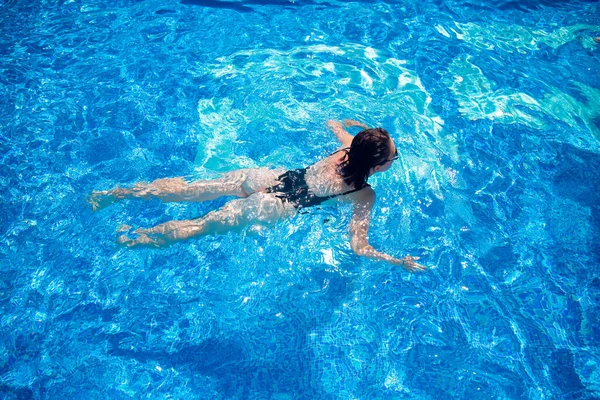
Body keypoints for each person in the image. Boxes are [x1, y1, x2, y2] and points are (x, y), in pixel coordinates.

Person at [88, 120, 426, 272]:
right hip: (273, 207)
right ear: (379, 166)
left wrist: (355, 125)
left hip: (267, 178)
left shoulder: (343, 149)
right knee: (199, 226)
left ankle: (114, 194)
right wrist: (397, 261)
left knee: (191, 189)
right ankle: (128, 240)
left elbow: (333, 122)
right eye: (393, 156)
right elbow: (358, 246)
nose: (394, 159)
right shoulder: (363, 194)